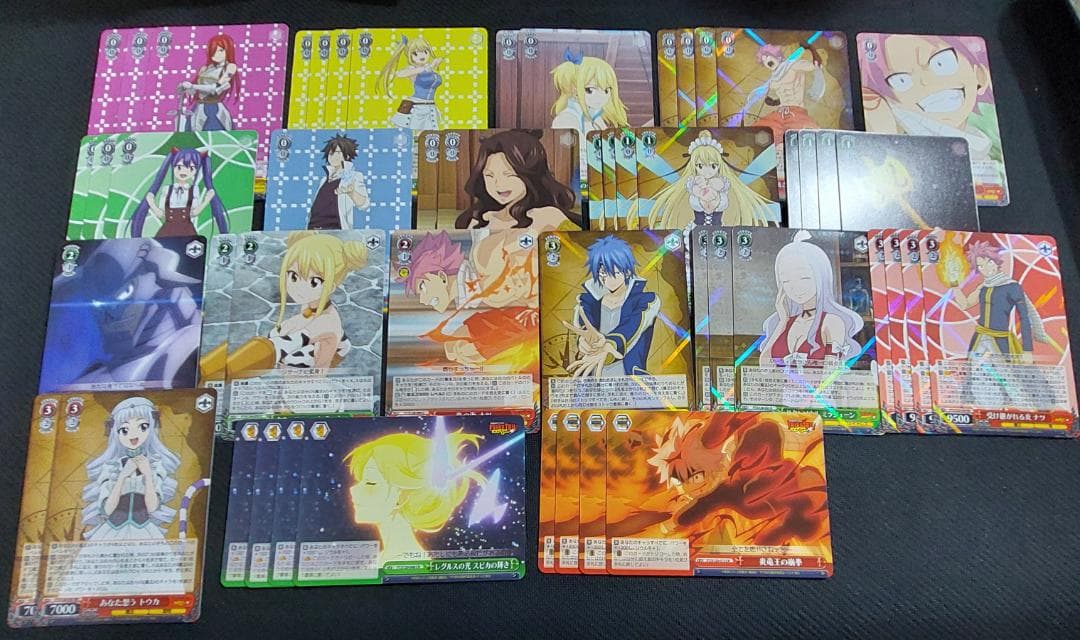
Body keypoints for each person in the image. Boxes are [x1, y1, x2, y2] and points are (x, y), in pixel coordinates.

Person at [58, 397, 185, 596]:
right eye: (124, 430)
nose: (133, 435)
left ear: (151, 428)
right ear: (115, 433)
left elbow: (153, 507)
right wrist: (123, 476)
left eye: (142, 427)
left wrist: (147, 474)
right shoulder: (110, 467)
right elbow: (107, 509)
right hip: (111, 531)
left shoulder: (154, 465)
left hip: (145, 532)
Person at [345, 428, 483, 562]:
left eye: (370, 483)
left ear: (402, 496)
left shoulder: (407, 561)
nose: (353, 490)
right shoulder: (386, 559)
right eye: (360, 481)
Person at [758, 230, 864, 367]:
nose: (794, 287)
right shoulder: (786, 322)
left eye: (804, 278)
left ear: (821, 276)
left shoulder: (832, 322)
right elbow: (764, 367)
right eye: (786, 281)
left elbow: (830, 375)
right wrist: (783, 322)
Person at [564, 235, 659, 377]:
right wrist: (584, 342)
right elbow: (585, 329)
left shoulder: (646, 301)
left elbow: (634, 325)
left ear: (627, 272)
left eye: (613, 272)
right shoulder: (586, 302)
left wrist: (610, 344)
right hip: (593, 377)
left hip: (630, 380)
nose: (606, 278)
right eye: (602, 273)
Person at [641, 130, 775, 229]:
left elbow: (720, 199)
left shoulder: (722, 183)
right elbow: (696, 196)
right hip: (695, 231)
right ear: (694, 166)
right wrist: (699, 190)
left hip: (720, 232)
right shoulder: (693, 184)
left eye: (713, 166)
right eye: (700, 166)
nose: (707, 171)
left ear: (719, 165)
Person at [454, 130, 580, 232]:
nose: (498, 184)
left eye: (509, 175)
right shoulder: (478, 219)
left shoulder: (548, 216)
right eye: (489, 175)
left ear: (530, 174)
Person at [131, 147, 228, 237]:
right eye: (179, 167)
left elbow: (194, 213)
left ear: (195, 171)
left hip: (187, 231)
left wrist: (206, 200)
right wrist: (151, 203)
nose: (184, 171)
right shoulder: (167, 189)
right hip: (167, 231)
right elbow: (160, 214)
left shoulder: (194, 190)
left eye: (191, 168)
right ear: (173, 167)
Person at [307, 134, 370, 230]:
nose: (333, 156)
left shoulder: (354, 176)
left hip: (336, 230)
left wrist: (351, 193)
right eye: (331, 153)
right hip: (313, 229)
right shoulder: (324, 180)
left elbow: (364, 204)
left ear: (347, 156)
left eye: (338, 153)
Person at [380, 35, 443, 130]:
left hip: (430, 106)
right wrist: (427, 67)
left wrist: (432, 66)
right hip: (417, 107)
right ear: (410, 56)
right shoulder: (413, 69)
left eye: (425, 52)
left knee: (430, 134)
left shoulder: (430, 68)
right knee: (416, 134)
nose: (422, 56)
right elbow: (400, 73)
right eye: (416, 53)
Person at [179, 33, 240, 132]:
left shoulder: (230, 67)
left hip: (215, 109)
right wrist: (186, 88)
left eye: (220, 50)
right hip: (199, 108)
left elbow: (215, 88)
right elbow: (194, 92)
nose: (216, 54)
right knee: (194, 136)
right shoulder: (205, 69)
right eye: (213, 50)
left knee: (220, 135)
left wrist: (193, 86)